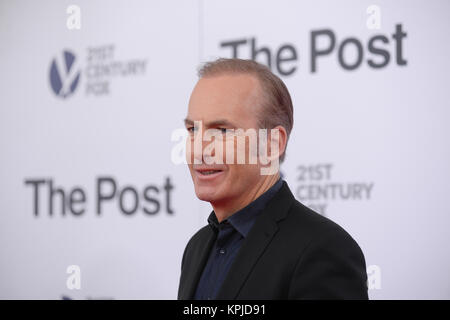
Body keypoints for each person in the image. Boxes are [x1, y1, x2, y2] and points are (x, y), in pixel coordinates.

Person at [177, 58, 368, 300]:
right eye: (193, 130)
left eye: (222, 131)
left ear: (271, 144)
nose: (199, 149)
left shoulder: (322, 249)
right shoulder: (197, 247)